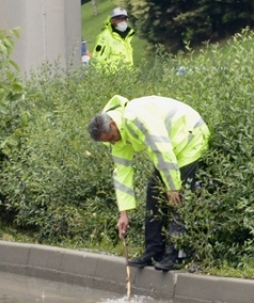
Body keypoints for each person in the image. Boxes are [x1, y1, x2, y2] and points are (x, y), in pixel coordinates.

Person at [87, 95, 210, 272]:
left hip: (190, 138)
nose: (113, 142)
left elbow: (161, 150)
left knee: (178, 198)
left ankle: (174, 255)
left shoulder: (135, 118)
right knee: (153, 193)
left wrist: (173, 186)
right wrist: (124, 213)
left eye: (112, 137)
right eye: (109, 141)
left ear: (112, 124)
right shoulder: (118, 133)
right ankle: (153, 251)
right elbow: (122, 173)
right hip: (171, 149)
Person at [92, 7, 136, 72]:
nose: (122, 21)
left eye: (124, 19)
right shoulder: (105, 36)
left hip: (127, 79)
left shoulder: (126, 37)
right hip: (112, 80)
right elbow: (97, 61)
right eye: (119, 19)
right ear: (112, 20)